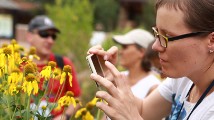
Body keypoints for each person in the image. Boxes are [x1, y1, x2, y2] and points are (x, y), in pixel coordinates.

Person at [87, 0, 214, 119]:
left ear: (211, 41)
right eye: (157, 33)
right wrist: (112, 79)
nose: (155, 46)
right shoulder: (183, 79)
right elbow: (143, 111)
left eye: (167, 37)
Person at [26, 15, 81, 119]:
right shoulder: (18, 65)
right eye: (44, 34)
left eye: (53, 36)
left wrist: (65, 116)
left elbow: (76, 96)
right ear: (29, 36)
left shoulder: (63, 63)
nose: (50, 40)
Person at [112, 29, 161, 99]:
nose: (120, 52)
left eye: (125, 47)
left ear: (141, 52)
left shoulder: (153, 87)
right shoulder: (118, 77)